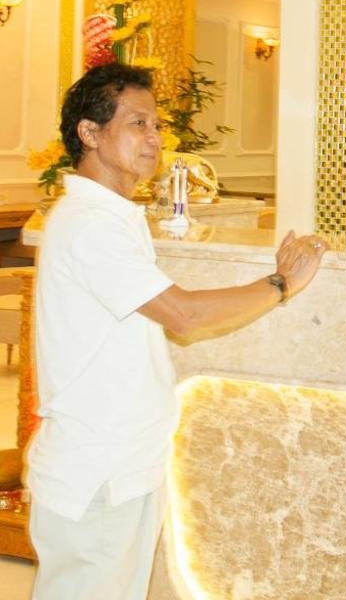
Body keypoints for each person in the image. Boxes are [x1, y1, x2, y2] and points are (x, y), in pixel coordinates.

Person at [27, 62, 326, 600]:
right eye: (138, 124)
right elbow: (182, 314)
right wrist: (281, 284)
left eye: (157, 125)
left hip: (121, 464)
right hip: (97, 470)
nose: (154, 138)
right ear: (90, 133)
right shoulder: (89, 223)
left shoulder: (111, 216)